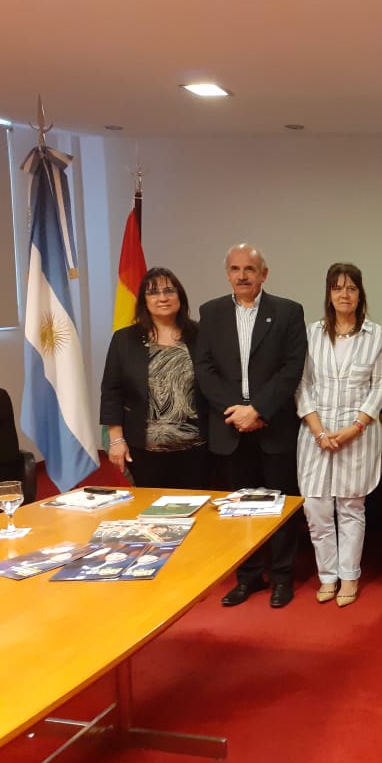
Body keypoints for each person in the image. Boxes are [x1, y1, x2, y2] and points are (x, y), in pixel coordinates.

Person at [195, 243, 307, 609]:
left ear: (264, 274)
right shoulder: (210, 313)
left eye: (249, 269)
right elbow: (205, 368)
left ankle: (282, 577)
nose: (242, 276)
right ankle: (248, 576)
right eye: (235, 269)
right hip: (230, 427)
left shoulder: (288, 312)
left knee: (281, 505)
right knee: (238, 507)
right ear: (227, 273)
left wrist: (258, 409)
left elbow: (292, 368)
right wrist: (236, 412)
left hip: (274, 425)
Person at [296, 263, 382, 607]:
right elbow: (302, 385)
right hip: (316, 435)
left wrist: (355, 428)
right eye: (337, 288)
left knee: (351, 507)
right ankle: (327, 576)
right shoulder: (313, 333)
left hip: (358, 433)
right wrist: (320, 431)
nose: (344, 294)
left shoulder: (375, 335)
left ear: (360, 294)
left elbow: (380, 386)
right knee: (316, 508)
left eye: (351, 288)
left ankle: (349, 576)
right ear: (329, 293)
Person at [100, 267, 210, 489]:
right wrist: (116, 440)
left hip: (197, 450)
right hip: (145, 450)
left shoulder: (201, 335)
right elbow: (112, 392)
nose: (162, 298)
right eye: (153, 292)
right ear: (144, 300)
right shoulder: (124, 340)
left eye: (169, 290)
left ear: (180, 296)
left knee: (198, 506)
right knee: (151, 507)